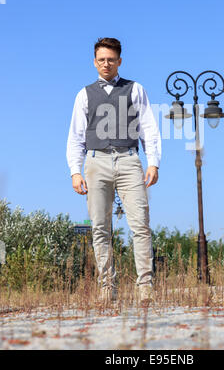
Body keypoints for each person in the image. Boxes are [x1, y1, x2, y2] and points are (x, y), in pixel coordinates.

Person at [66, 37, 161, 304]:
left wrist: (153, 162)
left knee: (141, 225)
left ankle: (146, 288)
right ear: (94, 62)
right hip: (96, 163)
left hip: (129, 160)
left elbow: (148, 128)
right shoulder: (84, 94)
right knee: (99, 228)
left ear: (119, 61)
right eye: (101, 59)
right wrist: (75, 170)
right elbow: (76, 136)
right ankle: (107, 288)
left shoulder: (135, 89)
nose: (106, 64)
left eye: (111, 59)